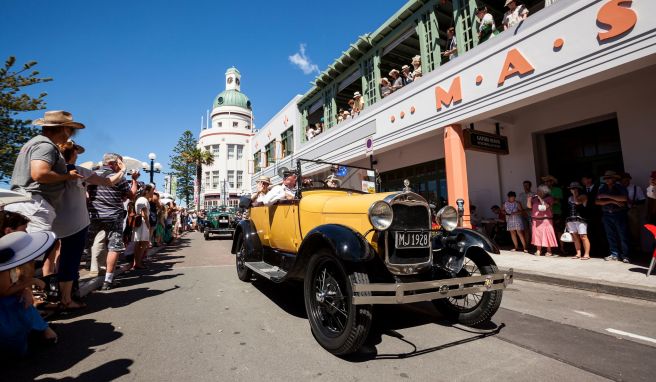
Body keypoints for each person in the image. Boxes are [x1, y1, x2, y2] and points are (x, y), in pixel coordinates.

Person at [4, 111, 85, 281]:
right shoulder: (46, 146)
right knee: (30, 256)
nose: (70, 135)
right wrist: (67, 176)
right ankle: (29, 298)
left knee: (20, 255)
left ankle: (24, 295)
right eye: (70, 130)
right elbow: (39, 173)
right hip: (34, 203)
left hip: (25, 201)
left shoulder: (33, 144)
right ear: (63, 129)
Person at [52, 140, 126, 309]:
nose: (78, 155)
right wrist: (123, 171)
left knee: (64, 253)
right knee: (108, 247)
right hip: (83, 219)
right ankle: (71, 292)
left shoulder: (53, 171)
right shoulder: (81, 172)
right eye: (76, 152)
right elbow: (111, 182)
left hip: (69, 218)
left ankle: (59, 289)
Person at [0, 230, 58, 356]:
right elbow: (3, 292)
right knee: (19, 302)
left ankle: (41, 331)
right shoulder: (3, 268)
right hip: (4, 312)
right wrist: (29, 283)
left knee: (23, 299)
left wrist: (25, 289)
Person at [86, 153, 139, 290]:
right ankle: (108, 281)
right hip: (114, 217)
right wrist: (133, 180)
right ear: (115, 163)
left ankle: (71, 280)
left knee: (84, 244)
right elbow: (131, 196)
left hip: (93, 215)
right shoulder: (118, 178)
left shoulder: (90, 175)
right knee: (114, 247)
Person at [596, 171, 631, 263]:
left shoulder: (620, 187)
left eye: (609, 178)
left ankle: (625, 255)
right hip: (607, 213)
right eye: (606, 178)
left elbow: (624, 199)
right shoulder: (602, 187)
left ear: (614, 179)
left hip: (619, 213)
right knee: (610, 235)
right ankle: (614, 254)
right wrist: (613, 201)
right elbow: (597, 201)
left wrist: (607, 196)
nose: (607, 180)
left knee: (623, 235)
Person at [527, 184, 558, 256]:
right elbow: (529, 207)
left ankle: (549, 251)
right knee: (537, 235)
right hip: (536, 220)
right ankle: (538, 250)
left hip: (546, 220)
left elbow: (546, 206)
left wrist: (540, 198)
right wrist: (528, 199)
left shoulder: (549, 198)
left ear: (544, 191)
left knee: (547, 235)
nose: (537, 192)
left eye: (539, 191)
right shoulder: (534, 199)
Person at [620, 172, 647, 250]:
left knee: (634, 231)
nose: (625, 182)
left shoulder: (636, 188)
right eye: (623, 180)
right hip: (621, 211)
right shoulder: (618, 188)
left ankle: (637, 248)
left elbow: (642, 200)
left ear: (629, 180)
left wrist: (632, 202)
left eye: (627, 180)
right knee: (623, 231)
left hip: (632, 211)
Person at [566, 182, 591, 260]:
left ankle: (586, 254)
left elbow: (577, 202)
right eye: (571, 189)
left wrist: (575, 194)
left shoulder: (583, 196)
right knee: (575, 237)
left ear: (578, 189)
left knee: (583, 236)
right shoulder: (569, 198)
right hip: (571, 219)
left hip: (581, 219)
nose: (572, 190)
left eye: (574, 188)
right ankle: (578, 253)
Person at [132, 184, 154, 269]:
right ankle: (137, 263)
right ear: (147, 191)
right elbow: (144, 214)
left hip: (141, 224)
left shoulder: (142, 199)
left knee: (139, 244)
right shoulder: (143, 200)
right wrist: (148, 225)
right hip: (142, 224)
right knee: (142, 244)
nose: (153, 192)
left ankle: (137, 262)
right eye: (152, 190)